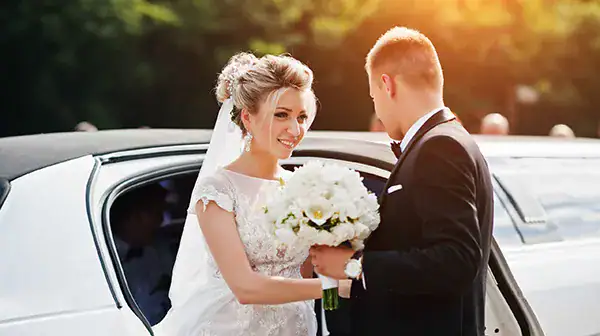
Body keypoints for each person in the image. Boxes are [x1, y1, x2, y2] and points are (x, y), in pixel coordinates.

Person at [310, 27, 494, 336]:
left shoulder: (439, 148)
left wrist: (355, 263)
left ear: (387, 85)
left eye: (373, 98)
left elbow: (456, 260)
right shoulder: (447, 139)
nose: (377, 112)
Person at [153, 52, 324, 335]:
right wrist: (334, 288)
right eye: (282, 115)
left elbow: (300, 275)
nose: (295, 129)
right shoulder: (217, 190)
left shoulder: (300, 187)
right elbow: (245, 287)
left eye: (302, 117)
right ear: (247, 117)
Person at [111, 183, 174, 325]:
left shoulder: (159, 250)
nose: (161, 221)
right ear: (135, 217)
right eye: (157, 213)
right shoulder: (104, 259)